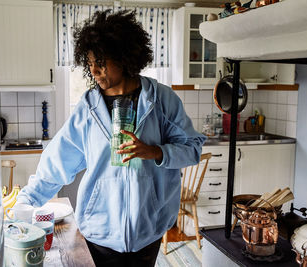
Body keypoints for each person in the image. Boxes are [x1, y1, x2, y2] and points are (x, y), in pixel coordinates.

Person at [16, 10, 206, 267]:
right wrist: (26, 201)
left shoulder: (161, 100)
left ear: (125, 58)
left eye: (102, 62)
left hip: (149, 230)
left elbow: (192, 149)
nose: (93, 70)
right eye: (90, 62)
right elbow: (57, 162)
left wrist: (155, 152)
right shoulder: (88, 108)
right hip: (99, 232)